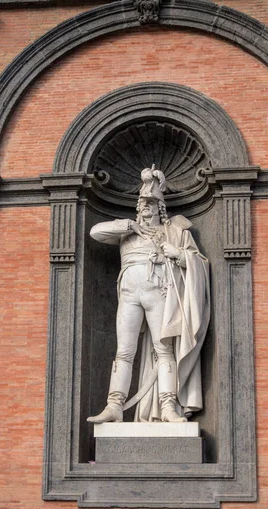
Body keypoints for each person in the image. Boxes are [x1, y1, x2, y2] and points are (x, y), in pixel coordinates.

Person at [87, 166, 210, 423]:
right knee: (124, 351)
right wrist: (128, 224)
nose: (146, 207)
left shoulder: (174, 232)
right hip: (130, 294)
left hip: (159, 292)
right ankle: (114, 406)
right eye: (143, 203)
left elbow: (199, 261)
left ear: (160, 208)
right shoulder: (126, 232)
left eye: (152, 203)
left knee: (163, 350)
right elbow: (95, 232)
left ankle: (167, 407)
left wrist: (178, 254)